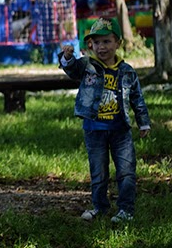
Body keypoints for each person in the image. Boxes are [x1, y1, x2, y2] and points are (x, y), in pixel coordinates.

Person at [59, 19, 150, 223]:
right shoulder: (87, 66)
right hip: (94, 129)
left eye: (107, 41)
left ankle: (126, 209)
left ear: (118, 43)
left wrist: (143, 122)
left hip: (120, 130)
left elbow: (137, 98)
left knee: (126, 171)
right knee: (98, 172)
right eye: (97, 42)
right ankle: (100, 207)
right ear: (91, 45)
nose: (101, 47)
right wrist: (67, 57)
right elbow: (72, 70)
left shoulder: (127, 71)